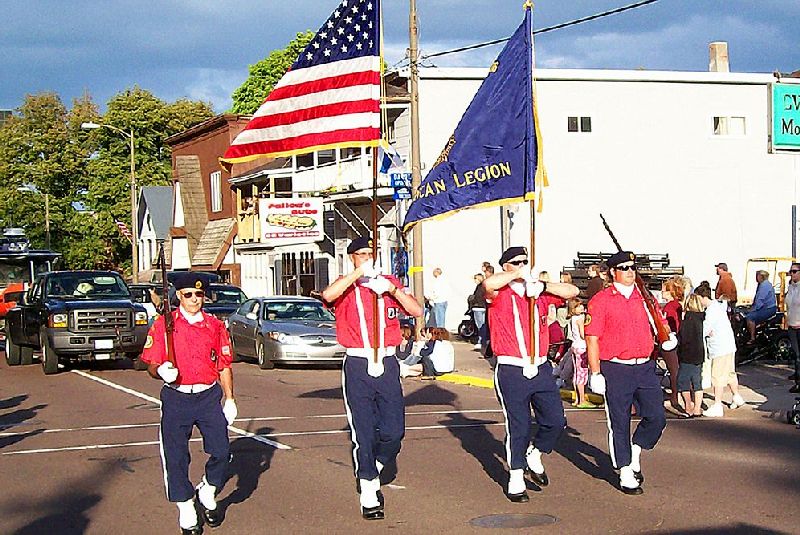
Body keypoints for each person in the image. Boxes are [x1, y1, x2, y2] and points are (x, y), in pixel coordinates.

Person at [320, 237, 423, 520]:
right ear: (352, 257)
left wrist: (391, 289)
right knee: (363, 432)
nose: (367, 257)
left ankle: (374, 466)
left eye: (370, 253)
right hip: (358, 362)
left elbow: (415, 311)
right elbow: (328, 295)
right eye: (361, 254)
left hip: (387, 361)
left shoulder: (388, 282)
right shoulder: (347, 284)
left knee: (394, 431)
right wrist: (358, 274)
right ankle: (368, 488)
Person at [140, 272, 236, 535]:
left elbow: (224, 365)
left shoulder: (215, 326)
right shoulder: (164, 325)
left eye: (199, 294)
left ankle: (208, 489)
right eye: (188, 295)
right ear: (178, 296)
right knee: (176, 455)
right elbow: (149, 363)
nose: (195, 299)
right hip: (177, 397)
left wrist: (229, 397)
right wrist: (160, 371)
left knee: (221, 449)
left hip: (207, 395)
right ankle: (185, 507)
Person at [483, 246, 578, 502]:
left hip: (540, 366)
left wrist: (543, 286)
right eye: (516, 262)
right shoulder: (499, 293)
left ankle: (535, 453)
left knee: (556, 421)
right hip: (512, 367)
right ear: (506, 266)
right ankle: (515, 477)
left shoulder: (537, 293)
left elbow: (573, 292)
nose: (523, 265)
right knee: (519, 425)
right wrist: (516, 276)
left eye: (526, 261)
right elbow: (488, 284)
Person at [585, 251, 669, 496]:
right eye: (624, 268)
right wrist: (596, 372)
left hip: (644, 366)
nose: (630, 272)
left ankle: (636, 449)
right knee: (619, 422)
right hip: (616, 367)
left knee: (656, 417)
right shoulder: (601, 300)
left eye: (633, 268)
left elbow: (659, 324)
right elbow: (592, 339)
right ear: (613, 272)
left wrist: (667, 339)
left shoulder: (645, 297)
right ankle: (624, 471)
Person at [695, 283, 745, 416]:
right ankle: (736, 396)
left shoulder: (711, 311)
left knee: (717, 376)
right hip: (728, 346)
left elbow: (704, 330)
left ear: (702, 297)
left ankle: (717, 405)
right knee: (729, 373)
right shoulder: (717, 306)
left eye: (698, 298)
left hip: (719, 348)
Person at [677, 294, 705, 417]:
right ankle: (698, 408)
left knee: (683, 382)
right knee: (697, 382)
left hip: (687, 354)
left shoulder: (687, 319)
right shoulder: (702, 318)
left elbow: (684, 338)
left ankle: (688, 406)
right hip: (699, 354)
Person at [660, 278, 684, 415]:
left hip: (670, 339)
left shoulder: (670, 307)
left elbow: (671, 324)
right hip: (677, 338)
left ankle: (675, 396)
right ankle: (676, 394)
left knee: (673, 369)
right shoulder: (677, 305)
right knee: (674, 369)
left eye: (664, 290)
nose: (662, 292)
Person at [566, 298, 592, 408]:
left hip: (575, 346)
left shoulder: (573, 318)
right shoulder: (580, 318)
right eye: (578, 306)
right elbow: (582, 334)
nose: (581, 307)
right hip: (582, 347)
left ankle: (577, 399)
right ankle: (582, 400)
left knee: (576, 373)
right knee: (582, 374)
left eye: (581, 305)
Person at [745, 270, 777, 344]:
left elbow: (760, 300)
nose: (756, 277)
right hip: (766, 307)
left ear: (761, 276)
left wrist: (752, 309)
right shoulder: (763, 284)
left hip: (768, 309)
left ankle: (752, 338)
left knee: (750, 317)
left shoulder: (764, 285)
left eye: (757, 275)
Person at [785, 263, 800, 392]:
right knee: (796, 354)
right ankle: (797, 380)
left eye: (794, 271)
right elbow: (788, 305)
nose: (792, 273)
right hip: (792, 325)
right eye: (791, 271)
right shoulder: (791, 287)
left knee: (799, 356)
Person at [470, 273, 488, 350]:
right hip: (483, 307)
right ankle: (484, 340)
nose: (474, 281)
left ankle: (481, 341)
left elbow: (477, 297)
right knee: (483, 324)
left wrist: (472, 301)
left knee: (480, 325)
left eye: (475, 279)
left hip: (478, 307)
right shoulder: (484, 286)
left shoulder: (479, 287)